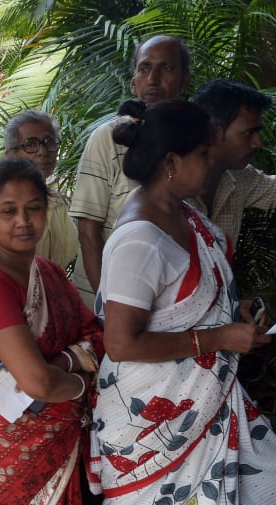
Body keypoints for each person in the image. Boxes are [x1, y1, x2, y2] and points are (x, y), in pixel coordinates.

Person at [91, 99, 276, 505]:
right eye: (203, 153)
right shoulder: (140, 238)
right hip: (156, 426)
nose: (211, 160)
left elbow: (190, 301)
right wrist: (219, 339)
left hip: (203, 410)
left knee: (275, 489)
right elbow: (120, 342)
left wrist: (233, 313)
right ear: (171, 163)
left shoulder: (185, 214)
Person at [0, 157, 103, 505]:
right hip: (4, 460)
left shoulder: (51, 274)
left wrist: (60, 361)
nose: (23, 221)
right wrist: (84, 384)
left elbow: (98, 336)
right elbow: (39, 383)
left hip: (58, 451)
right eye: (8, 211)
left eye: (34, 208)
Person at [70, 35, 191, 307]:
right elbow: (88, 231)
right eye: (144, 68)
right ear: (134, 82)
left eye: (166, 68)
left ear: (185, 80)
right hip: (107, 302)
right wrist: (111, 305)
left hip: (167, 306)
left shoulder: (193, 143)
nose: (153, 78)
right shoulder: (108, 138)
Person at [189, 79, 276, 243]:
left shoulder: (240, 177)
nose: (258, 143)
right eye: (248, 133)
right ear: (213, 132)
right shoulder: (167, 187)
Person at [0, 111, 79, 269]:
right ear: (11, 155)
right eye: (30, 145)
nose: (42, 151)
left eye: (49, 142)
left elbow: (64, 259)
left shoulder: (55, 201)